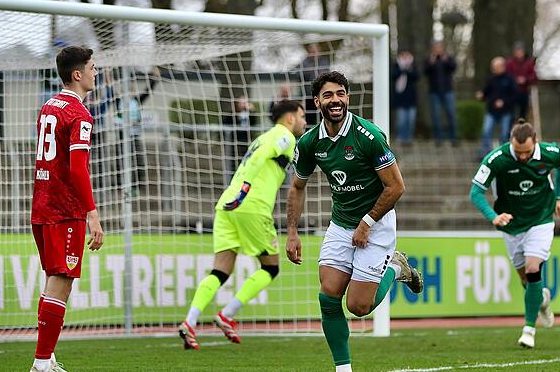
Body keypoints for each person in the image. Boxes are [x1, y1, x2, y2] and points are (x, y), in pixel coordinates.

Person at [285, 71, 424, 372]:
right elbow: (297, 186)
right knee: (328, 294)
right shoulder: (310, 143)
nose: (335, 100)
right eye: (328, 95)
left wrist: (366, 223)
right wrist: (292, 232)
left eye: (340, 94)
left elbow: (396, 187)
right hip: (340, 223)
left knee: (358, 307)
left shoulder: (368, 136)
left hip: (377, 223)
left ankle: (397, 268)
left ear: (347, 97)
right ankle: (343, 369)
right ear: (317, 101)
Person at [178, 100, 307, 349]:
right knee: (271, 267)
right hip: (251, 205)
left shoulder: (262, 136)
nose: (304, 121)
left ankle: (190, 322)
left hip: (227, 204)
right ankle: (227, 314)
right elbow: (260, 158)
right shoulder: (284, 136)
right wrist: (246, 188)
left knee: (220, 271)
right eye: (302, 116)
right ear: (289, 118)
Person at [30, 46, 104, 372]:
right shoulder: (79, 114)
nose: (95, 72)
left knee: (53, 281)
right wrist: (93, 214)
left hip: (42, 203)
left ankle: (48, 358)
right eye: (92, 67)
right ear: (78, 74)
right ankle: (41, 363)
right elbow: (77, 169)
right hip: (64, 209)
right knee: (61, 281)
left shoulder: (49, 105)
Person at [469, 119, 560, 348]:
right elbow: (475, 192)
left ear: (536, 143)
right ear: (510, 143)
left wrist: (559, 197)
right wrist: (493, 216)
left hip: (541, 218)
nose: (522, 156)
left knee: (534, 269)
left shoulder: (550, 153)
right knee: (526, 279)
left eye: (527, 152)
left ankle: (529, 330)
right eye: (518, 151)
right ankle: (541, 299)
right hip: (512, 224)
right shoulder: (496, 159)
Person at [475, 56, 516, 157]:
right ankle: (485, 153)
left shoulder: (510, 79)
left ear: (502, 66)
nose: (493, 69)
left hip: (506, 112)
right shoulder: (491, 79)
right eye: (493, 67)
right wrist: (481, 95)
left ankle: (504, 155)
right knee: (486, 131)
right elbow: (486, 92)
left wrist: (504, 102)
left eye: (495, 67)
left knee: (504, 134)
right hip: (491, 111)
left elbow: (515, 96)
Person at [424, 41, 458, 145]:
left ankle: (454, 139)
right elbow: (425, 71)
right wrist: (431, 62)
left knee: (451, 114)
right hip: (434, 92)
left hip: (448, 91)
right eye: (436, 48)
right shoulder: (429, 59)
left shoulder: (448, 58)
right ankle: (439, 139)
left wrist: (446, 60)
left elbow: (453, 67)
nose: (438, 50)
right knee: (436, 116)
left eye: (439, 48)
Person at [290, 43, 330, 126]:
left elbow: (324, 74)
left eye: (315, 51)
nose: (314, 53)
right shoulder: (304, 62)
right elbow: (297, 73)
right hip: (308, 96)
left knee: (324, 117)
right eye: (312, 51)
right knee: (309, 119)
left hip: (322, 95)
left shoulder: (324, 62)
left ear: (319, 51)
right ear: (308, 52)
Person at [390, 48, 419, 145]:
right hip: (400, 99)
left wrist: (407, 70)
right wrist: (403, 70)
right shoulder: (396, 65)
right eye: (404, 55)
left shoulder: (412, 65)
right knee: (401, 121)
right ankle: (401, 138)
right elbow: (394, 76)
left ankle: (409, 138)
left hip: (411, 99)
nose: (405, 56)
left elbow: (416, 76)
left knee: (410, 120)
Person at [505, 42, 538, 121]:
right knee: (511, 113)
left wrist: (525, 79)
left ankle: (522, 130)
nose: (519, 53)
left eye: (520, 51)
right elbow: (507, 75)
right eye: (517, 51)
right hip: (512, 92)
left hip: (524, 91)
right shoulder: (510, 62)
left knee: (523, 114)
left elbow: (534, 76)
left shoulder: (529, 62)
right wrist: (515, 80)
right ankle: (511, 130)